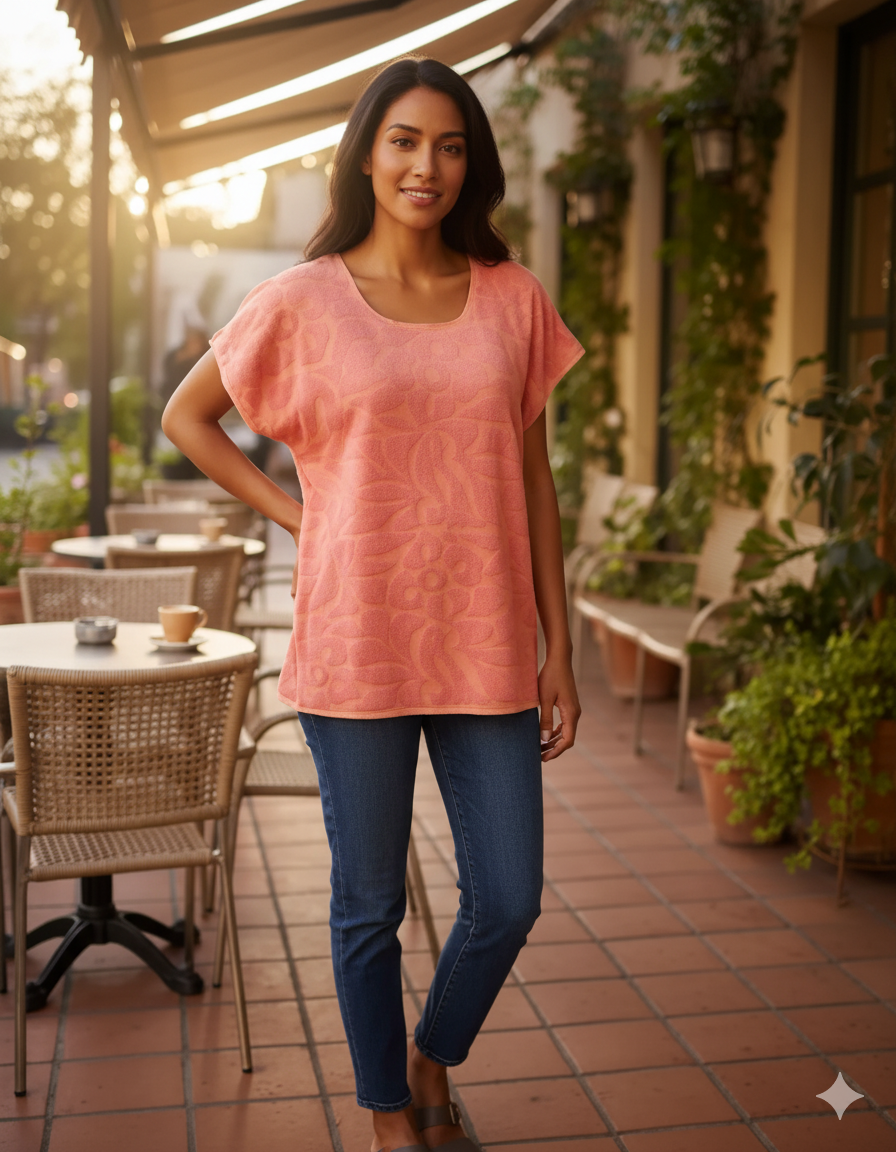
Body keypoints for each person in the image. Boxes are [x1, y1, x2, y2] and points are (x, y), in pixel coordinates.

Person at [162, 56, 584, 1152]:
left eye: (448, 145)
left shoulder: (511, 298)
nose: (425, 165)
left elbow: (533, 479)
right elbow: (188, 417)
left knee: (509, 897)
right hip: (357, 641)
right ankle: (390, 1114)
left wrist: (560, 647)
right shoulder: (298, 301)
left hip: (488, 643)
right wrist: (301, 515)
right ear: (364, 152)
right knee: (367, 909)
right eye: (402, 140)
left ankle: (429, 1053)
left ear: (470, 164)